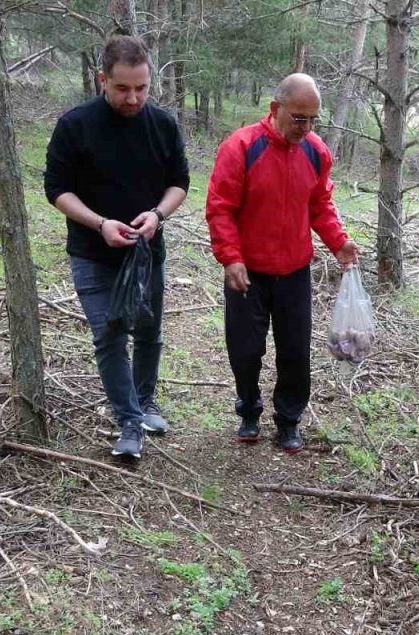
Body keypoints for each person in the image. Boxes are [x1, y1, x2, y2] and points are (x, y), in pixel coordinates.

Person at [44, 35, 189, 459]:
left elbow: (179, 183)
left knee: (148, 331)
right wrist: (100, 223)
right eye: (123, 88)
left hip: (146, 253)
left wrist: (157, 216)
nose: (133, 97)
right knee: (109, 337)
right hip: (93, 253)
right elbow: (56, 190)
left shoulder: (162, 125)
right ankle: (128, 421)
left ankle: (145, 403)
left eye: (141, 88)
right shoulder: (76, 124)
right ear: (102, 78)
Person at [205, 73, 360, 453]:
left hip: (294, 270)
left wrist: (338, 241)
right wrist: (231, 258)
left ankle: (289, 420)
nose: (305, 127)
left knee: (294, 350)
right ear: (275, 110)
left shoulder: (315, 151)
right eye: (298, 118)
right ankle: (248, 410)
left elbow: (320, 204)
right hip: (247, 271)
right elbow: (220, 208)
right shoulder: (241, 147)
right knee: (244, 349)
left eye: (312, 120)